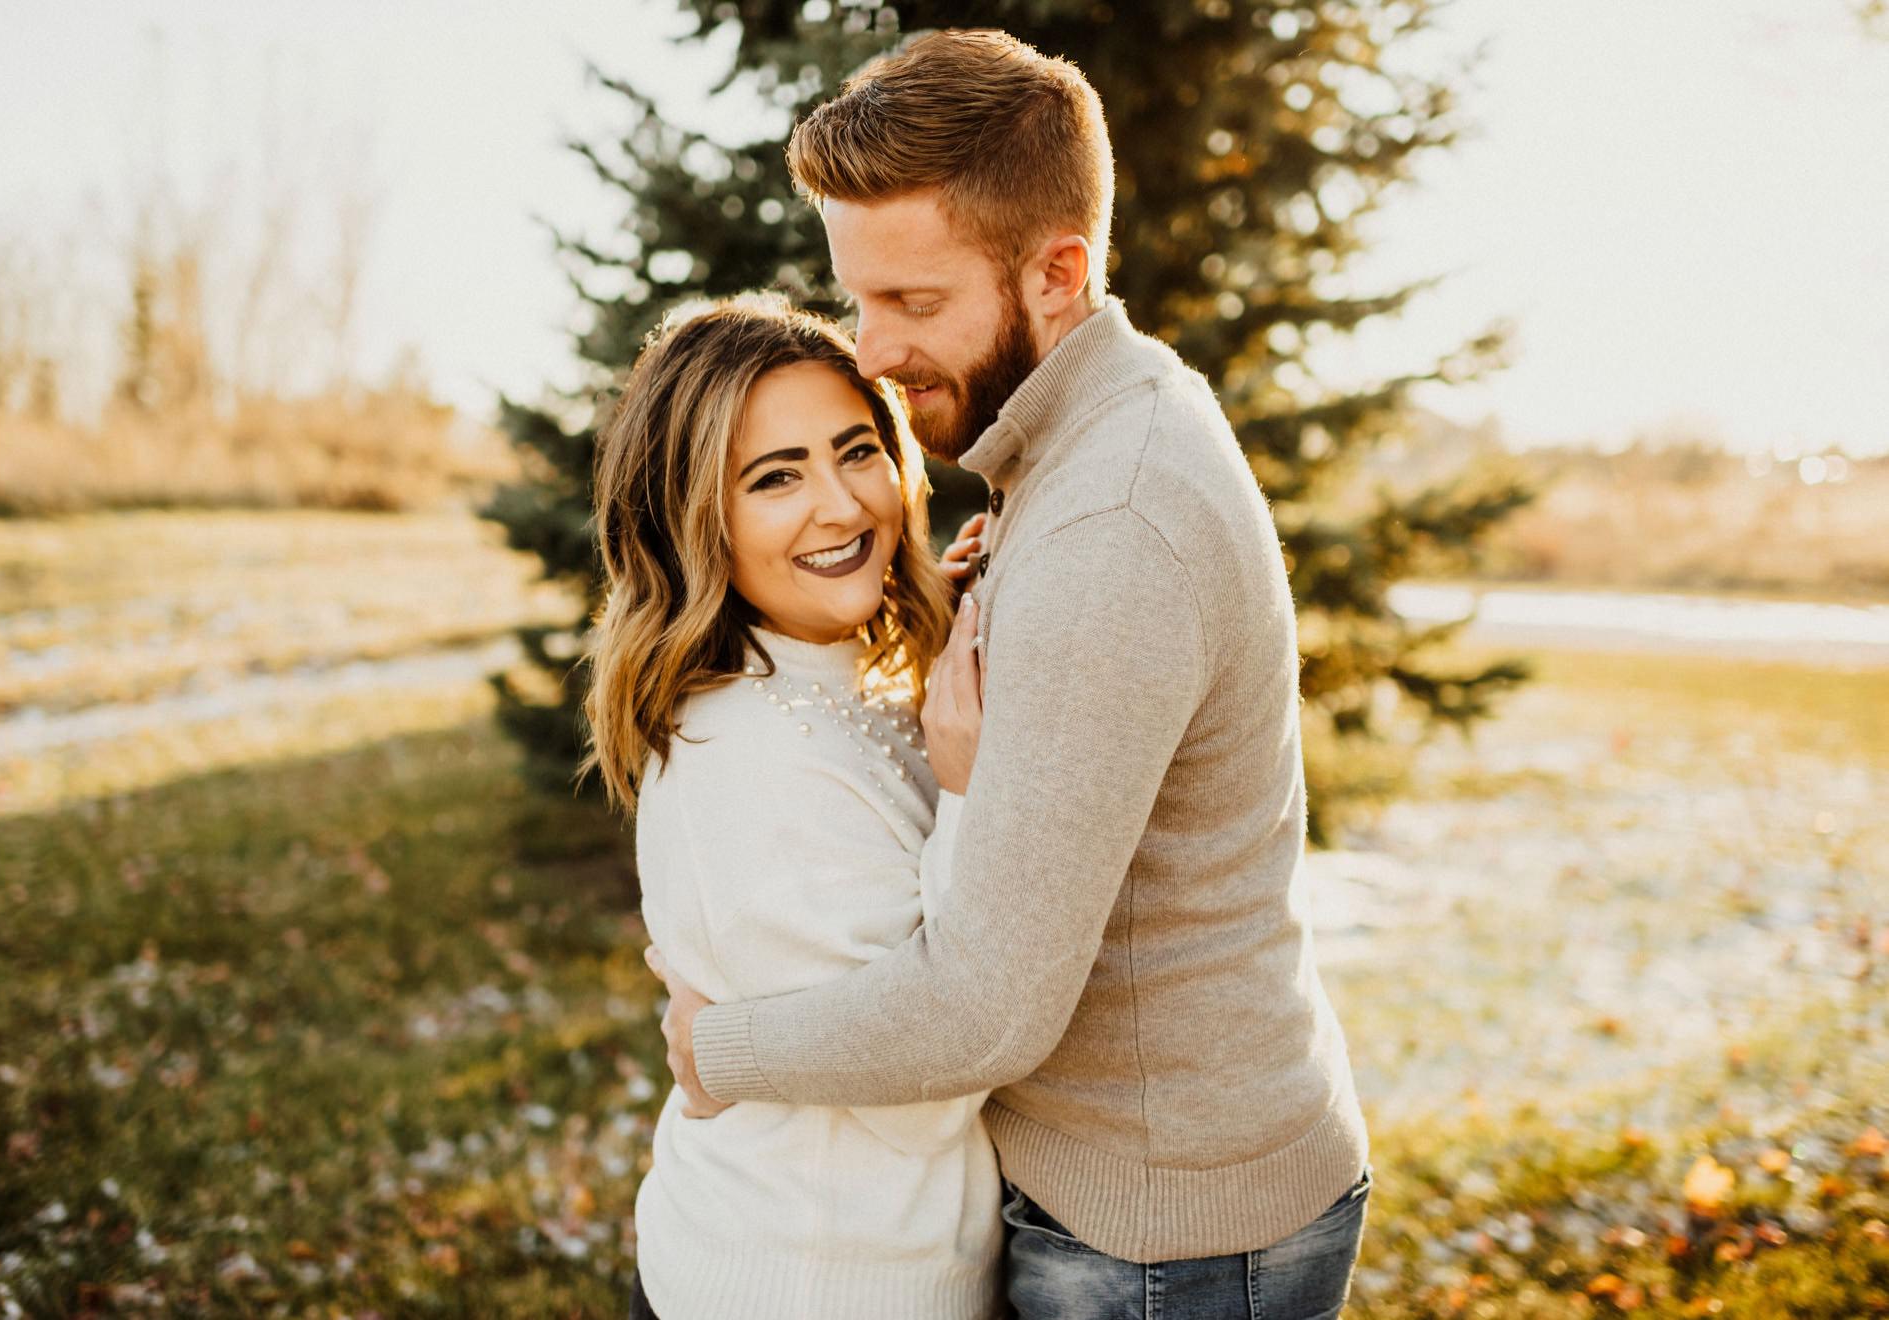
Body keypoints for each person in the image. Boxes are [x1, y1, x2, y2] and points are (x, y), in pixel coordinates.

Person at [645, 29, 1374, 1320]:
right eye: (858, 297)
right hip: (1147, 1184)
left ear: (1059, 270)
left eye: (914, 304)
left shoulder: (1110, 516)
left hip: (1162, 1233)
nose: (868, 351)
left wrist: (720, 1047)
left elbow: (983, 1013)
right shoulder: (1096, 432)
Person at [582, 293, 1005, 1319]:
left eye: (855, 451)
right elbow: (928, 1081)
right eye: (775, 478)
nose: (842, 505)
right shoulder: (742, 757)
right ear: (695, 521)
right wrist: (964, 788)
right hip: (807, 1286)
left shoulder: (839, 670)